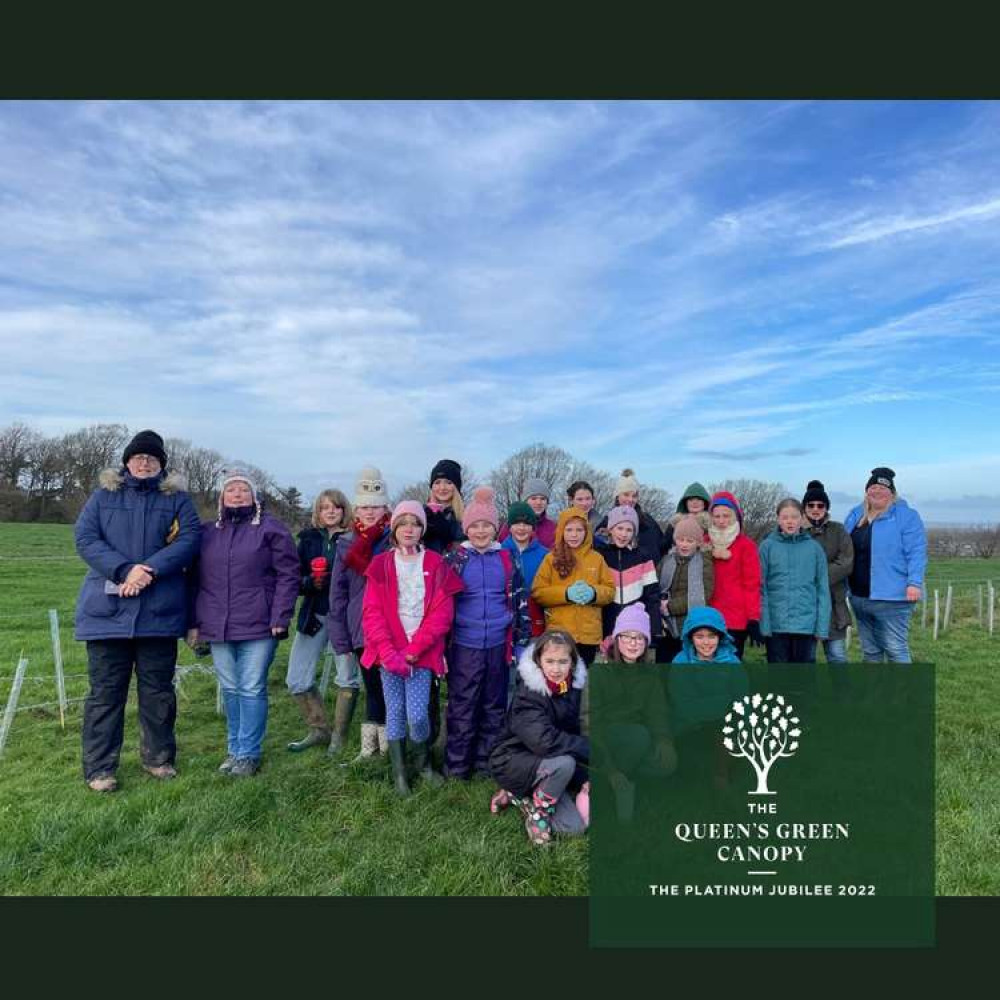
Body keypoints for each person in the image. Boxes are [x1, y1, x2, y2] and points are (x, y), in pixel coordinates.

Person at [74, 430, 201, 792]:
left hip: (158, 613)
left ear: (161, 465)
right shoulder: (102, 497)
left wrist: (148, 571)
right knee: (105, 694)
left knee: (158, 692)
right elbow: (85, 539)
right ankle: (100, 768)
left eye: (152, 458)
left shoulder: (178, 500)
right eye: (138, 457)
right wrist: (123, 570)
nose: (144, 462)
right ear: (127, 462)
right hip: (107, 615)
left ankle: (158, 758)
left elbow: (190, 540)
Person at [188, 470, 300, 778]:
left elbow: (288, 576)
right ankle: (234, 749)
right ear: (221, 497)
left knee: (250, 687)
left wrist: (280, 616)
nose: (237, 494)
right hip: (217, 624)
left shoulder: (271, 530)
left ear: (254, 497)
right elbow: (195, 579)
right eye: (231, 490)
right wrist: (194, 622)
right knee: (230, 688)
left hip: (259, 624)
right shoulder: (206, 533)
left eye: (243, 490)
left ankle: (249, 754)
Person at [360, 501, 463, 796]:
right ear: (394, 529)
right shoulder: (380, 564)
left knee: (417, 715)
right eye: (403, 523)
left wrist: (415, 648)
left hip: (422, 651)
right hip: (387, 653)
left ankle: (423, 762)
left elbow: (443, 612)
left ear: (422, 529)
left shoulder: (435, 562)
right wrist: (389, 653)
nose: (409, 529)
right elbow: (372, 612)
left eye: (415, 524)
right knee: (394, 711)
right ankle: (399, 773)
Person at [443, 487, 530, 779]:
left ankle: (486, 762)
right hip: (464, 645)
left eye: (487, 526)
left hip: (497, 644)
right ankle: (457, 765)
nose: (481, 531)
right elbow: (441, 605)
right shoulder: (455, 559)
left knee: (494, 706)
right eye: (475, 526)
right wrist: (442, 648)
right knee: (463, 705)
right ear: (467, 528)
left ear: (496, 528)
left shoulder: (506, 559)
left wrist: (519, 643)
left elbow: (520, 602)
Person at [488, 630, 589, 846]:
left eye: (563, 661)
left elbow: (572, 734)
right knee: (565, 763)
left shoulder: (572, 688)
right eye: (549, 661)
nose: (556, 668)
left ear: (572, 663)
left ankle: (519, 796)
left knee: (572, 829)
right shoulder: (529, 693)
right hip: (511, 760)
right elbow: (545, 742)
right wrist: (590, 750)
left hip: (548, 762)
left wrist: (585, 777)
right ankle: (538, 817)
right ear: (538, 661)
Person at [327, 467, 392, 759]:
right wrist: (340, 638)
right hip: (360, 627)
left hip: (392, 627)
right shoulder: (345, 543)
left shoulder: (395, 539)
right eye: (364, 506)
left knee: (391, 687)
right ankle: (370, 749)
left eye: (375, 507)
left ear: (385, 508)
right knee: (372, 686)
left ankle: (393, 746)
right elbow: (337, 594)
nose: (369, 512)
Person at [592, 605, 677, 822]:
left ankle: (627, 780)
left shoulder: (650, 675)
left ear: (646, 643)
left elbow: (657, 712)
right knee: (637, 737)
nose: (633, 643)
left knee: (668, 762)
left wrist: (663, 740)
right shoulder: (600, 673)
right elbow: (591, 722)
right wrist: (609, 768)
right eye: (628, 637)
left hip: (638, 740)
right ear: (617, 639)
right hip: (604, 741)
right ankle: (611, 783)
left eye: (640, 638)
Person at [285, 488, 352, 752]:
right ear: (318, 512)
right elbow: (293, 579)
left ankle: (339, 737)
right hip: (314, 614)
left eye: (335, 506)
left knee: (347, 677)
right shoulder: (308, 540)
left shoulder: (353, 538)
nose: (331, 511)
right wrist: (310, 582)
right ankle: (319, 729)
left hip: (343, 618)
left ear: (344, 510)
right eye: (325, 507)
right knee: (296, 678)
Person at [843, 467, 927, 663]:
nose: (877, 491)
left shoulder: (907, 516)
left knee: (895, 649)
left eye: (883, 487)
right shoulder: (855, 516)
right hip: (859, 596)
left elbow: (916, 551)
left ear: (892, 493)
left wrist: (914, 582)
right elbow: (843, 548)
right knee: (870, 651)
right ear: (866, 491)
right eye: (873, 487)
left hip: (893, 598)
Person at [531, 507, 615, 665]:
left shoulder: (597, 559)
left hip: (588, 636)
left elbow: (610, 591)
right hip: (560, 634)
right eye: (569, 530)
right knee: (561, 678)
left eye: (579, 530)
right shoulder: (551, 559)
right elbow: (538, 592)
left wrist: (594, 593)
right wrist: (566, 594)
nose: (574, 534)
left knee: (582, 680)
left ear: (587, 532)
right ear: (561, 531)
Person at [758, 499, 832, 664]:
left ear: (802, 518)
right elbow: (761, 589)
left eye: (794, 517)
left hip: (806, 626)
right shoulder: (767, 547)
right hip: (777, 626)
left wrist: (821, 627)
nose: (790, 521)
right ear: (778, 519)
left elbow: (822, 589)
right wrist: (764, 625)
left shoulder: (814, 549)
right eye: (785, 517)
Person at [595, 504, 661, 658]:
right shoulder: (600, 556)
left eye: (629, 530)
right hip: (607, 625)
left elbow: (652, 595)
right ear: (611, 529)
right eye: (620, 528)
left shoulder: (643, 556)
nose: (624, 534)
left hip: (634, 628)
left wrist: (654, 628)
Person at [801, 480, 854, 664]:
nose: (815, 509)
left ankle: (842, 693)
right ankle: (808, 693)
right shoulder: (796, 532)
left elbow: (846, 561)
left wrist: (818, 577)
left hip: (833, 603)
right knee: (806, 657)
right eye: (811, 505)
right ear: (804, 507)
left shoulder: (838, 530)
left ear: (826, 507)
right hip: (805, 604)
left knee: (837, 655)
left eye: (820, 505)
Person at [707, 491, 762, 658]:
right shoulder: (703, 543)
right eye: (717, 516)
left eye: (726, 516)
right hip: (709, 613)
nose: (721, 521)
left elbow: (752, 584)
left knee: (730, 664)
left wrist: (753, 618)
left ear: (735, 517)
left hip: (736, 618)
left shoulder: (746, 546)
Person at [658, 514, 715, 664]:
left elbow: (703, 595)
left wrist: (670, 607)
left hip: (690, 625)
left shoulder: (705, 563)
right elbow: (655, 585)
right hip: (665, 626)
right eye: (680, 540)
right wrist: (659, 604)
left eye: (690, 541)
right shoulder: (666, 560)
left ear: (698, 543)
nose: (684, 544)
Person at [500, 500, 549, 641]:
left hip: (535, 618)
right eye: (516, 523)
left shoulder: (545, 555)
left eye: (527, 524)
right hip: (506, 617)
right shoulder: (499, 552)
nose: (521, 528)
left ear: (533, 527)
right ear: (509, 526)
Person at [594, 469, 664, 560]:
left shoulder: (648, 521)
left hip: (647, 571)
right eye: (626, 494)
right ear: (617, 496)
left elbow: (662, 546)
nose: (630, 499)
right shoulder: (606, 523)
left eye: (634, 496)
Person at [423, 458, 465, 555]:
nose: (442, 488)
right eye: (437, 482)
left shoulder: (466, 516)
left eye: (448, 482)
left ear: (456, 486)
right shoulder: (421, 514)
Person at [500, 478, 557, 549]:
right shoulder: (510, 525)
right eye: (534, 498)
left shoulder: (553, 528)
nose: (538, 502)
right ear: (525, 500)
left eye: (543, 499)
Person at [662, 481, 712, 554]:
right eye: (691, 499)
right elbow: (665, 547)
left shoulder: (712, 525)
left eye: (698, 499)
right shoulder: (675, 524)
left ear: (705, 503)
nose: (695, 502)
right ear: (685, 503)